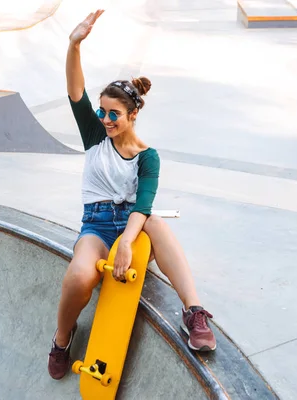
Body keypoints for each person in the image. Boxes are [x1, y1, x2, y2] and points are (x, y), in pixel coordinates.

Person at [48, 9, 217, 380]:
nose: (106, 120)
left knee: (154, 221)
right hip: (95, 226)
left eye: (115, 114)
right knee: (79, 277)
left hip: (132, 225)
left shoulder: (148, 158)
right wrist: (74, 44)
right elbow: (75, 90)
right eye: (103, 112)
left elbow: (143, 205)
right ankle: (62, 339)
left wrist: (126, 241)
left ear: (133, 115)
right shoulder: (95, 135)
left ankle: (194, 311)